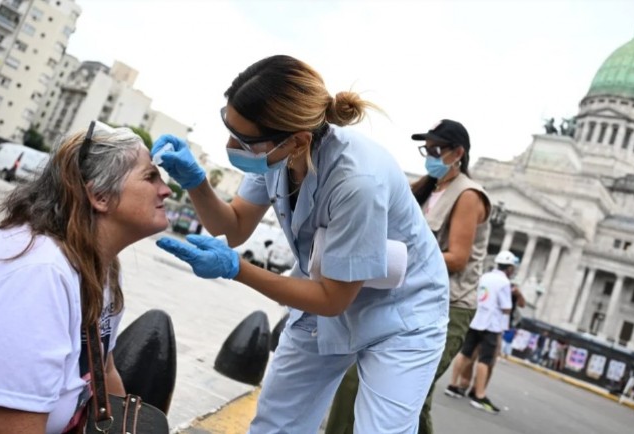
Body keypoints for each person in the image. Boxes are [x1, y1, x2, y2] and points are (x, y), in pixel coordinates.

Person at [152, 54, 450, 433]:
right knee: (276, 424)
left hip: (401, 312)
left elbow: (332, 299)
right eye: (229, 127)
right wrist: (196, 183)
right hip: (323, 291)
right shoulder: (276, 156)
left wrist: (237, 269)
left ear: (298, 140)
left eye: (243, 140)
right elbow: (236, 226)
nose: (231, 144)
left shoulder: (358, 180)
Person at [0, 122, 176, 433]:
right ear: (101, 196)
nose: (167, 190)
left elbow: (103, 370)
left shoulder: (98, 267)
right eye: (150, 176)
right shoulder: (36, 277)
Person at [325, 119, 491, 434]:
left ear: (458, 153)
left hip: (448, 306)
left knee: (412, 398)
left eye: (436, 149)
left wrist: (394, 258)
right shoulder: (426, 188)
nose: (429, 155)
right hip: (404, 297)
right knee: (355, 380)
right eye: (426, 149)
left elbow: (457, 258)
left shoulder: (468, 195)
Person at [446, 250, 518, 414]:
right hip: (491, 325)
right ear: (510, 268)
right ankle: (479, 395)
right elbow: (507, 308)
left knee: (465, 353)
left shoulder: (485, 276)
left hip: (476, 319)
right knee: (485, 360)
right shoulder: (504, 282)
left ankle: (453, 385)